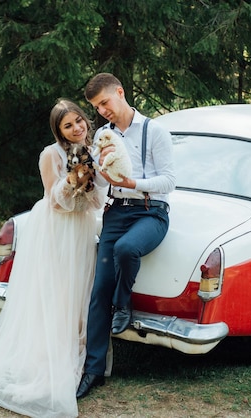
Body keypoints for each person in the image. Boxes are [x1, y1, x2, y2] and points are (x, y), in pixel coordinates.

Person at [0, 99, 106, 418]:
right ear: (59, 131)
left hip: (80, 228)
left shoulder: (93, 150)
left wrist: (91, 186)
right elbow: (53, 201)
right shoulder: (50, 154)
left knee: (78, 290)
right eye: (68, 125)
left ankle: (78, 354)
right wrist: (72, 181)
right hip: (55, 229)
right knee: (54, 291)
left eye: (79, 121)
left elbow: (96, 201)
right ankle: (45, 360)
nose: (77, 128)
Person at [76, 73, 176, 399]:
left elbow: (169, 182)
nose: (102, 110)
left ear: (120, 92)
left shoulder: (154, 131)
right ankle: (92, 372)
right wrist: (100, 174)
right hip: (116, 212)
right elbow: (104, 186)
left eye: (104, 102)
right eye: (96, 106)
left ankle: (123, 304)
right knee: (98, 290)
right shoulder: (102, 136)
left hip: (151, 212)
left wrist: (135, 184)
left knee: (126, 249)